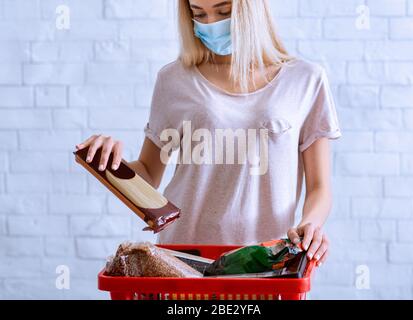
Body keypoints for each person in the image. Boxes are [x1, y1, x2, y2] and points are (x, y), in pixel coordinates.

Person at [76, 0, 341, 268]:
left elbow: (319, 187)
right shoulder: (174, 80)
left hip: (264, 260)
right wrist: (108, 162)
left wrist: (311, 225)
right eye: (198, 13)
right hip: (183, 257)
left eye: (224, 11)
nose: (211, 24)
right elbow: (148, 172)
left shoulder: (305, 80)